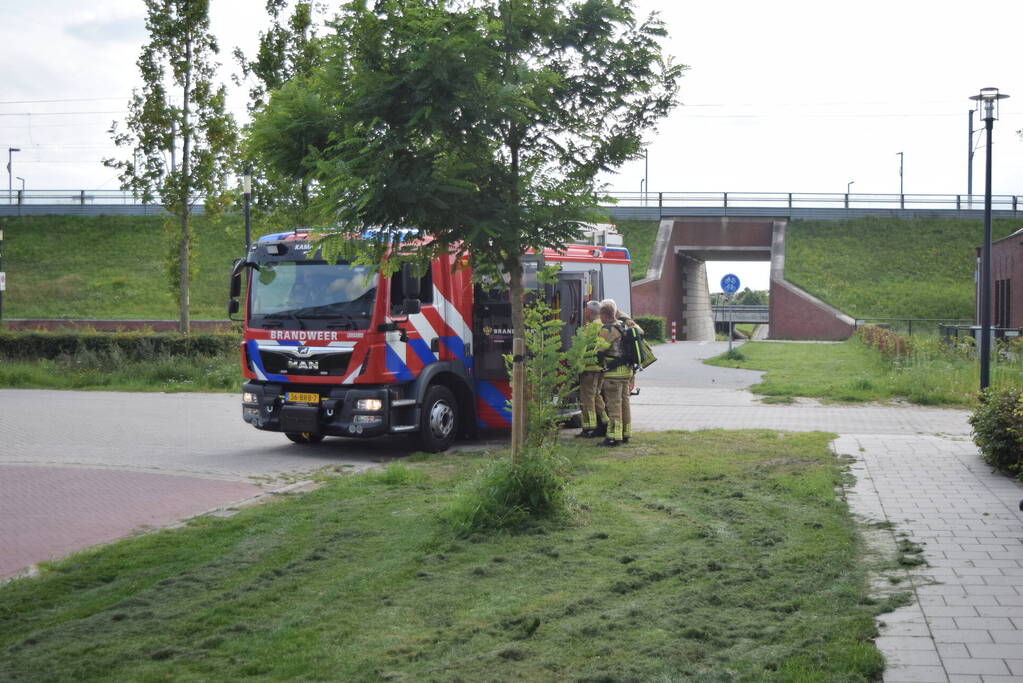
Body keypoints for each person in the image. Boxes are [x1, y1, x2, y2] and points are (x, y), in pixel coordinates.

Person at [597, 300, 633, 447]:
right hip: (626, 372)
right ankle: (625, 433)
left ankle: (612, 437)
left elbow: (599, 350)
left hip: (613, 374)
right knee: (625, 403)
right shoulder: (622, 326)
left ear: (604, 315)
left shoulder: (607, 330)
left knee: (613, 405)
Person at [576, 300, 609, 438]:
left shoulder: (591, 327)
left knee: (587, 399)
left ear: (589, 311)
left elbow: (583, 349)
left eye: (585, 310)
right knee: (596, 396)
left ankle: (589, 427)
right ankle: (605, 422)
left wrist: (577, 367)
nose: (584, 312)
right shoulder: (603, 325)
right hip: (600, 368)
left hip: (589, 368)